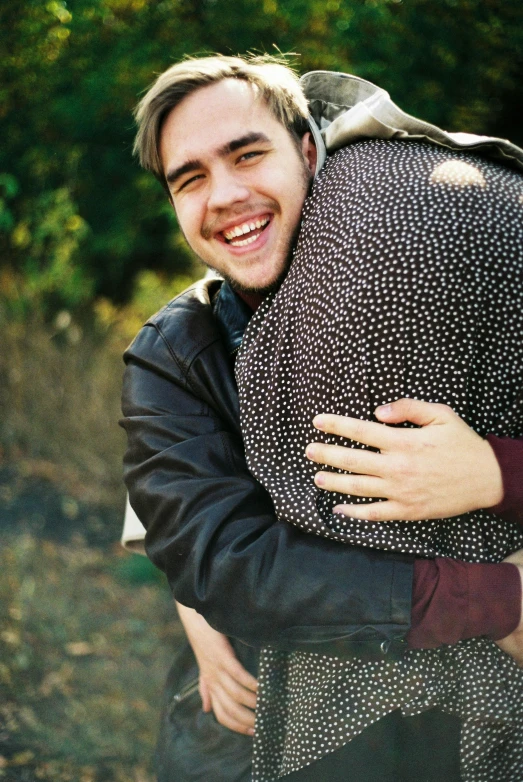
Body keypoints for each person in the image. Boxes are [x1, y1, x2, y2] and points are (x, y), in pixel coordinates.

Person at [121, 55, 523, 780]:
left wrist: (498, 472)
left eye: (247, 155)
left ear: (308, 152)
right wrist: (498, 599)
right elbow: (223, 559)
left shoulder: (422, 253)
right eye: (191, 179)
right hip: (259, 729)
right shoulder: (173, 352)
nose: (226, 195)